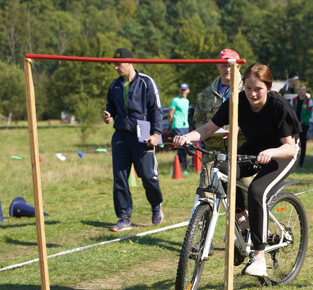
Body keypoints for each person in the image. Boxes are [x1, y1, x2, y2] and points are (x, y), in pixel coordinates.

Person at [173, 63, 301, 277]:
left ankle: (258, 257)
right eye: (248, 88)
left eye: (258, 89)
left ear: (268, 87)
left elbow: (289, 147)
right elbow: (206, 129)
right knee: (223, 170)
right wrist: (186, 137)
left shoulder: (279, 106)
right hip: (254, 147)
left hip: (281, 152)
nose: (252, 93)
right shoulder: (236, 101)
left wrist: (271, 152)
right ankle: (242, 219)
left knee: (257, 191)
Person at [103, 47, 164, 232]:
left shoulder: (147, 82)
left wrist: (156, 134)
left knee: (148, 177)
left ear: (129, 62)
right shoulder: (114, 85)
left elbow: (156, 110)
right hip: (121, 135)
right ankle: (124, 217)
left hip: (143, 136)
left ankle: (156, 205)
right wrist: (108, 116)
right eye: (113, 63)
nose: (115, 67)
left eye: (118, 63)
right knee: (119, 178)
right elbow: (111, 107)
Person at [193, 49, 250, 194]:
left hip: (242, 152)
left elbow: (258, 119)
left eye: (231, 65)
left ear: (238, 66)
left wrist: (240, 128)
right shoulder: (206, 94)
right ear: (217, 66)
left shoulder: (249, 90)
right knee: (205, 194)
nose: (227, 69)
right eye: (223, 64)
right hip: (213, 152)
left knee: (248, 195)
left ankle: (246, 216)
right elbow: (198, 120)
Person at [169, 82, 191, 174]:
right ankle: (180, 168)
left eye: (185, 90)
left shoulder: (187, 101)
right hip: (177, 126)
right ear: (179, 90)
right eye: (182, 90)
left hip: (185, 126)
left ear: (188, 90)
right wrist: (171, 126)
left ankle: (182, 168)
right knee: (181, 146)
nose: (183, 91)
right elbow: (170, 114)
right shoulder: (175, 100)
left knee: (184, 147)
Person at [291, 82, 313, 168]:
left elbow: (309, 114)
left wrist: (302, 121)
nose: (301, 91)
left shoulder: (309, 101)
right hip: (295, 125)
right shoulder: (294, 100)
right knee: (294, 143)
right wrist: (295, 122)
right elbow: (291, 112)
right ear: (298, 90)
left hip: (304, 125)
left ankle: (301, 162)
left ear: (306, 91)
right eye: (300, 89)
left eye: (303, 89)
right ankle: (293, 161)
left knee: (303, 143)